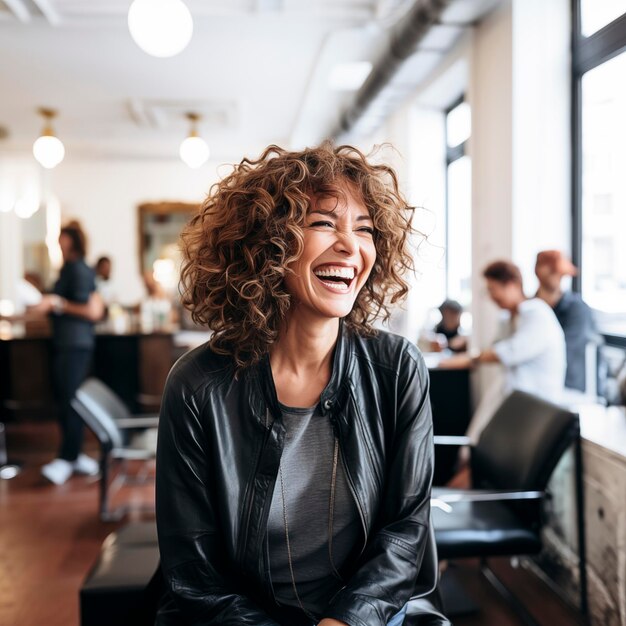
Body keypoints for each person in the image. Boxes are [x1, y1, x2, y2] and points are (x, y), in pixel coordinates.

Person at [155, 144, 448, 626]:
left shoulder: (397, 369)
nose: (351, 247)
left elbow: (405, 531)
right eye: (323, 223)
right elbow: (195, 575)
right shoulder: (196, 387)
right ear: (267, 242)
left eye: (364, 229)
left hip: (365, 612)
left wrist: (344, 620)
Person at [441, 260, 566, 447]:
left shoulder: (537, 313)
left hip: (535, 409)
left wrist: (470, 358)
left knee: (478, 449)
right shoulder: (508, 318)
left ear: (512, 285)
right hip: (513, 401)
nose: (491, 296)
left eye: (493, 289)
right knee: (472, 445)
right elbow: (492, 348)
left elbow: (506, 352)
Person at [32, 221, 105, 485]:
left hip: (75, 344)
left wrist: (57, 303)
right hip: (68, 343)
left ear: (71, 240)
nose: (58, 244)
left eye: (62, 239)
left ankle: (67, 456)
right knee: (67, 400)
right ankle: (73, 455)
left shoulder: (78, 270)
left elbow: (90, 310)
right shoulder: (70, 269)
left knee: (70, 401)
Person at [535, 250, 596, 392]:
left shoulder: (577, 309)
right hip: (537, 385)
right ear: (538, 270)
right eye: (551, 269)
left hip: (569, 387)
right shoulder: (531, 308)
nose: (556, 275)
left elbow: (567, 351)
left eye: (559, 272)